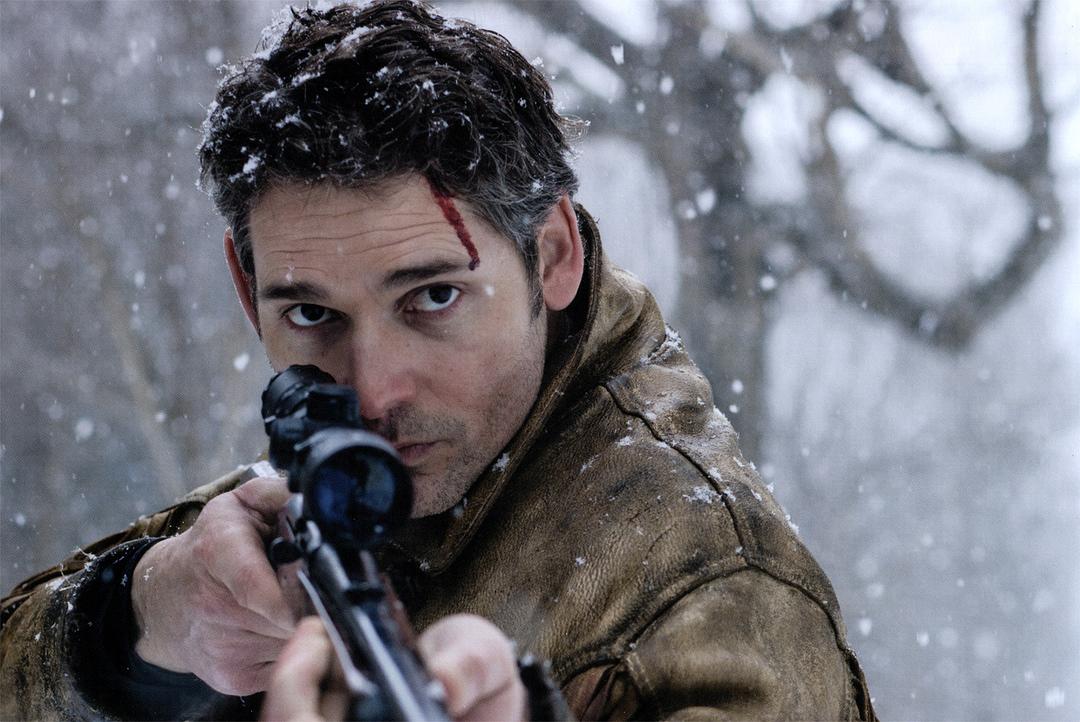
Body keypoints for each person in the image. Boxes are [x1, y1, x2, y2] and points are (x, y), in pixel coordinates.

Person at [0, 1, 876, 720]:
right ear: (245, 287)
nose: (373, 391)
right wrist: (140, 620)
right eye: (311, 314)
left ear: (553, 254)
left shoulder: (712, 599)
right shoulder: (322, 492)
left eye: (432, 298)